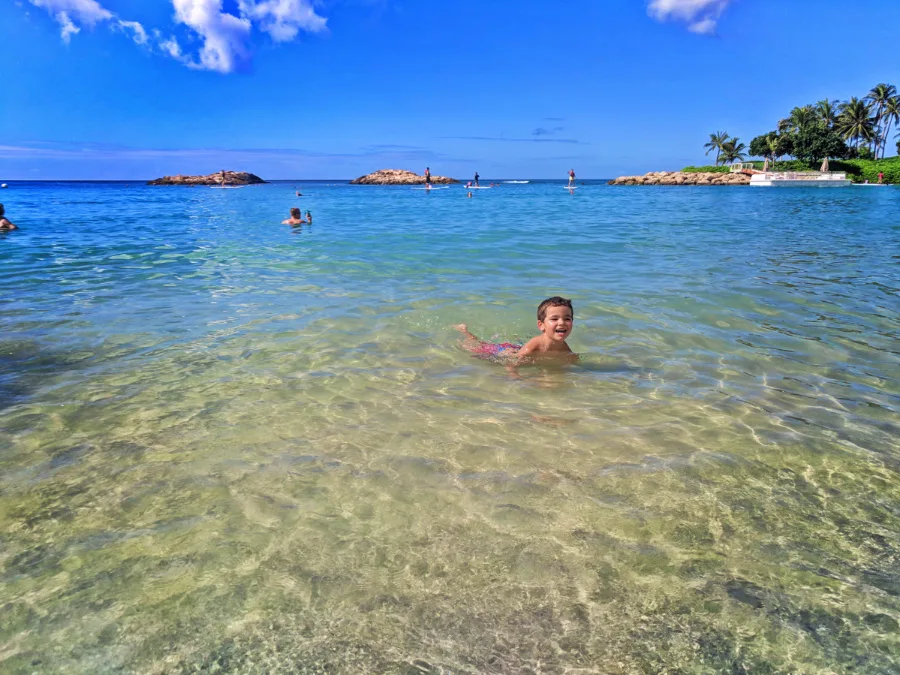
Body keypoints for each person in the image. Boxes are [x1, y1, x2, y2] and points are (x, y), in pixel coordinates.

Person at [455, 296, 576, 367]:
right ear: (541, 325)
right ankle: (464, 331)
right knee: (477, 347)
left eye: (567, 319)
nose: (562, 322)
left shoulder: (563, 346)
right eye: (554, 319)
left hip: (518, 348)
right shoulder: (536, 343)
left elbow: (571, 359)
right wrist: (514, 376)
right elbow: (512, 362)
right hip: (502, 351)